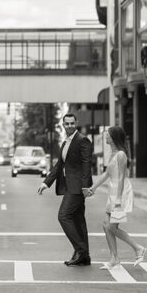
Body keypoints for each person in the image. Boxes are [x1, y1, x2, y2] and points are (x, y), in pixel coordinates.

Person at [38, 112, 94, 266]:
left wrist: (85, 187)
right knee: (78, 220)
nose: (69, 126)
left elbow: (86, 165)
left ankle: (81, 250)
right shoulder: (65, 143)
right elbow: (59, 166)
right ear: (63, 125)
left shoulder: (83, 141)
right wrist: (46, 183)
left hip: (77, 188)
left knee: (63, 216)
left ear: (76, 124)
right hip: (70, 186)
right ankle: (84, 256)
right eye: (67, 123)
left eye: (72, 123)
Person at [87, 126, 147, 269]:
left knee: (112, 227)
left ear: (113, 137)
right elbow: (107, 174)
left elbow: (121, 177)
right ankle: (114, 258)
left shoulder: (121, 155)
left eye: (107, 135)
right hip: (113, 191)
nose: (105, 137)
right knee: (105, 225)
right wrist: (93, 188)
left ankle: (138, 248)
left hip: (121, 193)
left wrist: (119, 200)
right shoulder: (112, 153)